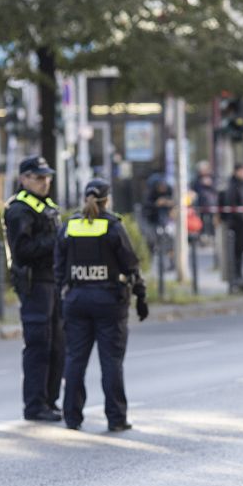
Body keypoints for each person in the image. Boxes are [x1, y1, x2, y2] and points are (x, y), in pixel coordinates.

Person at [55, 179, 148, 432]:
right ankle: (116, 418)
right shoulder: (113, 226)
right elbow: (130, 264)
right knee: (111, 362)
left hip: (76, 300)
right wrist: (141, 296)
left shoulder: (70, 225)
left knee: (75, 361)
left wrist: (61, 297)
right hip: (109, 301)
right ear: (107, 200)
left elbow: (58, 267)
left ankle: (72, 417)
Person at [3, 156, 64, 422]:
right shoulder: (19, 210)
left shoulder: (43, 205)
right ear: (24, 178)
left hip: (52, 281)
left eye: (47, 176)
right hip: (34, 283)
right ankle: (35, 405)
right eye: (39, 177)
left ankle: (50, 400)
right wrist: (56, 240)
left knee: (57, 345)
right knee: (39, 344)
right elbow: (23, 251)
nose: (45, 181)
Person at [218, 163, 243, 287]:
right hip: (236, 224)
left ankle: (239, 274)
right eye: (242, 171)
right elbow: (230, 204)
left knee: (242, 249)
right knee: (235, 250)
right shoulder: (232, 186)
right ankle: (234, 276)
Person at [190, 161, 216, 240]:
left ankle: (212, 235)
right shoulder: (197, 180)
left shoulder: (212, 178)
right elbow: (193, 189)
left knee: (211, 221)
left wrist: (210, 184)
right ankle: (202, 235)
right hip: (200, 204)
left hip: (212, 204)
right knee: (201, 220)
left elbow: (217, 189)